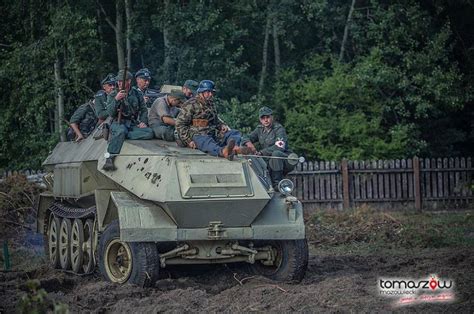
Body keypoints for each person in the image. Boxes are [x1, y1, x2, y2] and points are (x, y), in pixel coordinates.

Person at [175, 80, 246, 159]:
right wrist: (188, 141)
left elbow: (215, 119)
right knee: (208, 143)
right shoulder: (191, 104)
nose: (211, 94)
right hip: (198, 135)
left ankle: (234, 148)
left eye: (212, 92)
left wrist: (221, 125)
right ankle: (223, 152)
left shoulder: (211, 104)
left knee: (234, 133)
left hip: (212, 133)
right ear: (201, 92)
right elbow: (180, 124)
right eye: (208, 92)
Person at [102, 70, 154, 171]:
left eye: (122, 81)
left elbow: (143, 109)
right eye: (118, 81)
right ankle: (109, 158)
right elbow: (111, 113)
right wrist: (116, 100)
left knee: (149, 133)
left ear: (129, 81)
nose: (119, 83)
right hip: (118, 122)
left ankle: (121, 136)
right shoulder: (113, 94)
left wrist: (143, 122)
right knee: (121, 130)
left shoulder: (136, 93)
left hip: (132, 124)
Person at [241, 106, 295, 188]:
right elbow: (245, 137)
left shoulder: (279, 129)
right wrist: (250, 145)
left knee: (276, 154)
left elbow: (279, 147)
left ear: (272, 117)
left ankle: (277, 183)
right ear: (260, 120)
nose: (265, 120)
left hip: (284, 159)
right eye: (263, 118)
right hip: (268, 159)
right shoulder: (259, 129)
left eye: (267, 117)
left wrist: (262, 152)